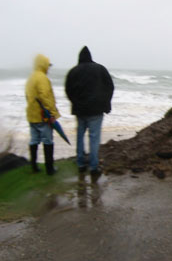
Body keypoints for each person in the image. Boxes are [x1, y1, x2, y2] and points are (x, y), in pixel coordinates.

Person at [65, 46, 114, 176]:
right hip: (96, 110)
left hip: (80, 111)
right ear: (90, 57)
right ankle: (93, 167)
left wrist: (75, 102)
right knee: (94, 139)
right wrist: (106, 103)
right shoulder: (100, 69)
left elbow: (68, 90)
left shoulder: (73, 71)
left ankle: (80, 164)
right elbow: (110, 87)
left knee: (80, 137)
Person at [25, 54, 61, 175]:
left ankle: (34, 167)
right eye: (48, 65)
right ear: (43, 64)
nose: (48, 68)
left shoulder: (31, 78)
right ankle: (50, 169)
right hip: (43, 116)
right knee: (47, 141)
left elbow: (28, 96)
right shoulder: (42, 78)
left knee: (34, 140)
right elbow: (45, 97)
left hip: (31, 115)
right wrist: (53, 113)